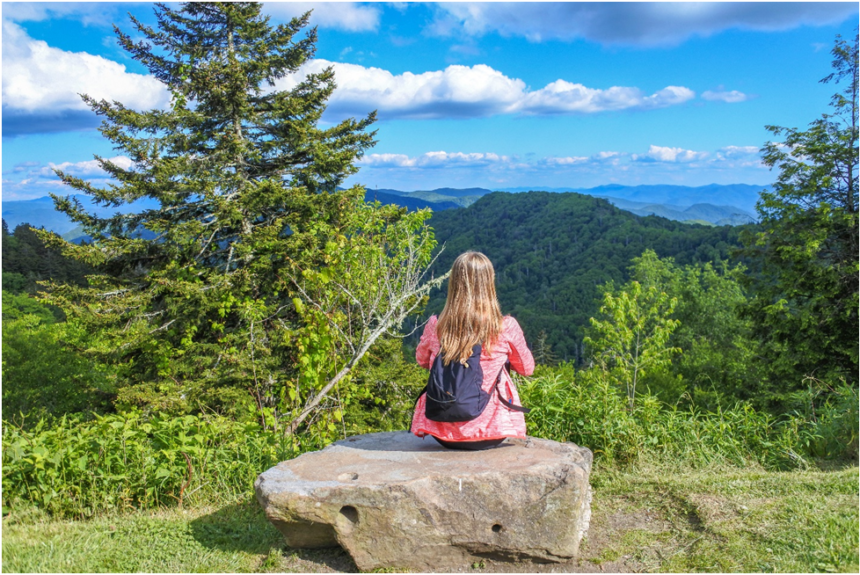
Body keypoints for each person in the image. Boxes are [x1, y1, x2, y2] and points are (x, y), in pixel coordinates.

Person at [411, 251, 535, 450]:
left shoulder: (436, 326)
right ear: (489, 283)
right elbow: (527, 369)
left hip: (441, 433)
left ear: (454, 284)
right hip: (492, 433)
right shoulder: (505, 327)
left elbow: (422, 360)